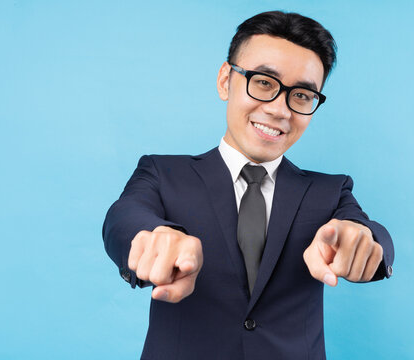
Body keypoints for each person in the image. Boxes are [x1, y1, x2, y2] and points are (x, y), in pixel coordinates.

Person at [103, 10, 394, 360]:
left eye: (301, 95)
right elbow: (124, 216)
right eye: (263, 82)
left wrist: (364, 239)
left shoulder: (328, 192)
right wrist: (151, 237)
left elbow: (367, 230)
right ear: (226, 80)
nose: (279, 110)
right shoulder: (162, 173)